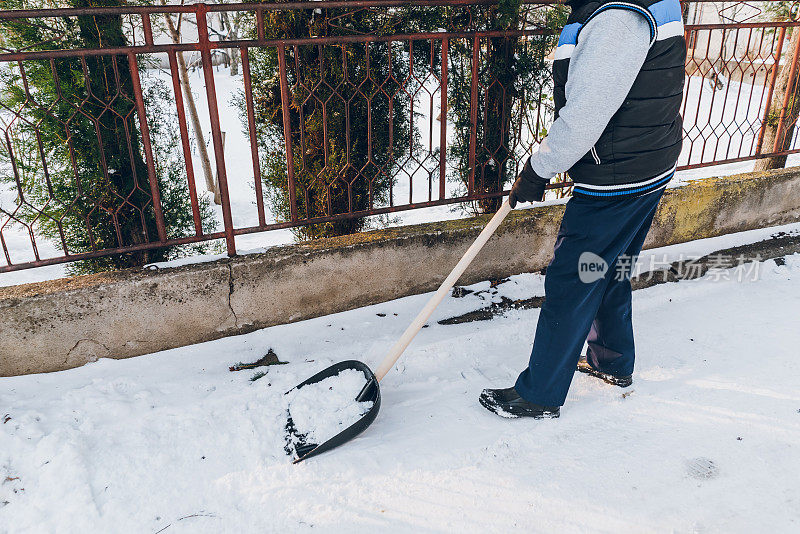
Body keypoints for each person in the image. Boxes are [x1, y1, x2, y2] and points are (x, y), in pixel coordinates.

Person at [479, 0, 686, 418]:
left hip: (616, 176)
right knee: (608, 270)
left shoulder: (616, 16)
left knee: (571, 281)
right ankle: (613, 361)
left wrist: (540, 168)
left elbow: (588, 111)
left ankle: (539, 394)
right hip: (647, 164)